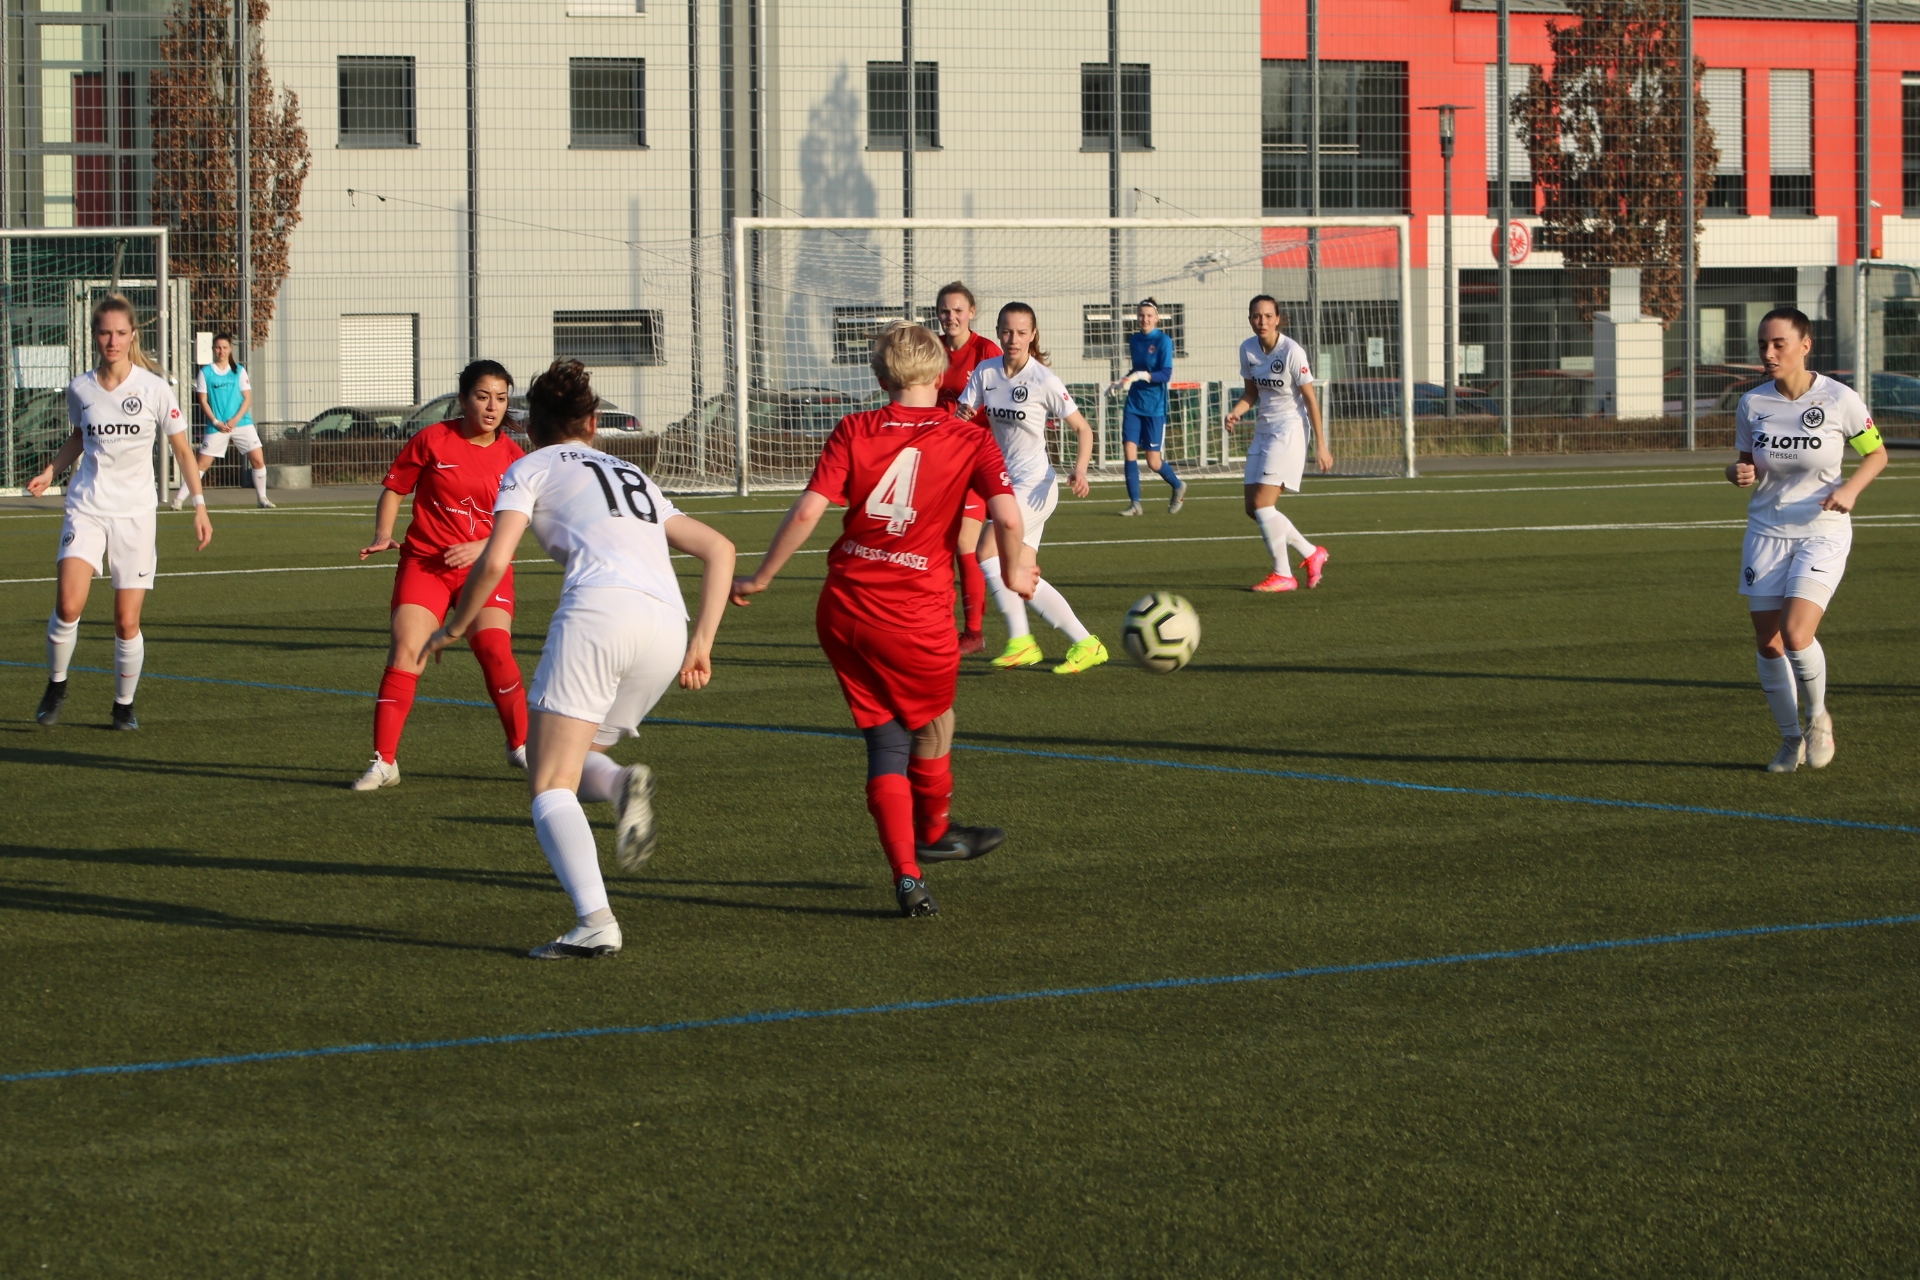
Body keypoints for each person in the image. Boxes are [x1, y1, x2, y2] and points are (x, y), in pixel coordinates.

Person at [422, 360, 736, 958]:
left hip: (600, 613)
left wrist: (455, 627)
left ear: (528, 426)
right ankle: (619, 783)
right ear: (592, 424)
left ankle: (596, 922)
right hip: (666, 626)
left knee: (548, 783)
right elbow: (720, 549)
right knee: (578, 750)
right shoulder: (631, 471)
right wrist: (702, 644)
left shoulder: (528, 465)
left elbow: (494, 559)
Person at [731, 321, 1034, 918]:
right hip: (914, 615)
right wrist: (1016, 570)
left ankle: (907, 878)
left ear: (879, 377)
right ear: (942, 375)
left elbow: (807, 512)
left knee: (886, 738)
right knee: (935, 725)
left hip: (843, 609)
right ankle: (935, 831)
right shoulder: (969, 437)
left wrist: (761, 576)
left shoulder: (853, 428)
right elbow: (1007, 517)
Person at [30, 293, 211, 730]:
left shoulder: (154, 388)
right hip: (87, 506)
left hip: (135, 514)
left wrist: (199, 505)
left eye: (120, 333)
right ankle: (57, 684)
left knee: (126, 622)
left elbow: (183, 450)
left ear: (133, 336)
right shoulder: (81, 388)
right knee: (68, 605)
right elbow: (80, 436)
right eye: (105, 333)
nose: (112, 341)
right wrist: (52, 471)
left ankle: (123, 705)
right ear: (95, 335)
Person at [352, 359, 529, 790]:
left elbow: (523, 520)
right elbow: (395, 489)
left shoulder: (515, 458)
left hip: (485, 570)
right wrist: (383, 534)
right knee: (407, 651)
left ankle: (522, 745)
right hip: (425, 565)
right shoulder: (432, 439)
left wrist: (483, 547)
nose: (493, 407)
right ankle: (385, 762)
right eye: (483, 397)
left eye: (501, 398)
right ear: (463, 400)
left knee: (495, 650)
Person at [1727, 306, 1887, 772]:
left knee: (1797, 634)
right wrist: (1737, 472)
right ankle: (1789, 739)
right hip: (1766, 532)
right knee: (1769, 642)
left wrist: (1850, 490)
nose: (1769, 353)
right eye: (1763, 344)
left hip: (1822, 531)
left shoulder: (1839, 398)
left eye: (1779, 344)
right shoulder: (1753, 403)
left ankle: (1818, 719)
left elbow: (1876, 454)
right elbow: (1745, 462)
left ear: (1805, 346)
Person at [957, 302, 1110, 675]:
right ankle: (1083, 643)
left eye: (1021, 332)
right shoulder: (986, 372)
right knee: (1023, 573)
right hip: (1005, 485)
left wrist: (1080, 470)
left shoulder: (1043, 379)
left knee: (987, 550)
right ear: (998, 332)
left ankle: (1022, 640)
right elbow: (960, 419)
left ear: (1033, 335)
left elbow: (1083, 429)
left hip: (1036, 487)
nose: (1013, 339)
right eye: (1007, 331)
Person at [1224, 296, 1333, 593]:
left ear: (1278, 319)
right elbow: (1251, 393)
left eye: (1268, 316)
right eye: (1256, 316)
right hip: (1264, 431)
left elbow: (1310, 400)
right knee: (1253, 508)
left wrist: (1321, 445)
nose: (1262, 322)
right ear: (1250, 319)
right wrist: (1236, 412)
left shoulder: (1292, 351)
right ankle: (1311, 552)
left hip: (1289, 432)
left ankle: (1283, 574)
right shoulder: (1248, 349)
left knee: (1263, 505)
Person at [933, 282, 1002, 655]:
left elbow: (1003, 402)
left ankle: (973, 632)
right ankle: (937, 627)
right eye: (945, 310)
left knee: (965, 542)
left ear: (971, 312)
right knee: (935, 545)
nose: (951, 317)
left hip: (976, 457)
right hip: (939, 459)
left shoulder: (986, 351)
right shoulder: (932, 349)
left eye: (958, 310)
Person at [174, 333, 272, 510]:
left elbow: (247, 399)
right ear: (213, 349)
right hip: (217, 426)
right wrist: (216, 421)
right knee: (201, 465)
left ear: (230, 349)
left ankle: (262, 498)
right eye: (218, 347)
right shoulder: (206, 373)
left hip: (241, 423)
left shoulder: (239, 371)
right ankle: (178, 500)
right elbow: (203, 401)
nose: (221, 351)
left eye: (225, 347)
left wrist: (235, 420)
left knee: (258, 460)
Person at [1108, 298, 1187, 516]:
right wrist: (1121, 382)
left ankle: (1178, 485)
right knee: (1129, 450)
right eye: (1141, 315)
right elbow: (1135, 369)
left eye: (1149, 316)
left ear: (1157, 318)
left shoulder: (1164, 341)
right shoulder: (1134, 340)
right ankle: (1135, 504)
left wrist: (1140, 376)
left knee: (1153, 462)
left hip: (1155, 407)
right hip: (1134, 403)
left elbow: (1165, 374)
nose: (1144, 319)